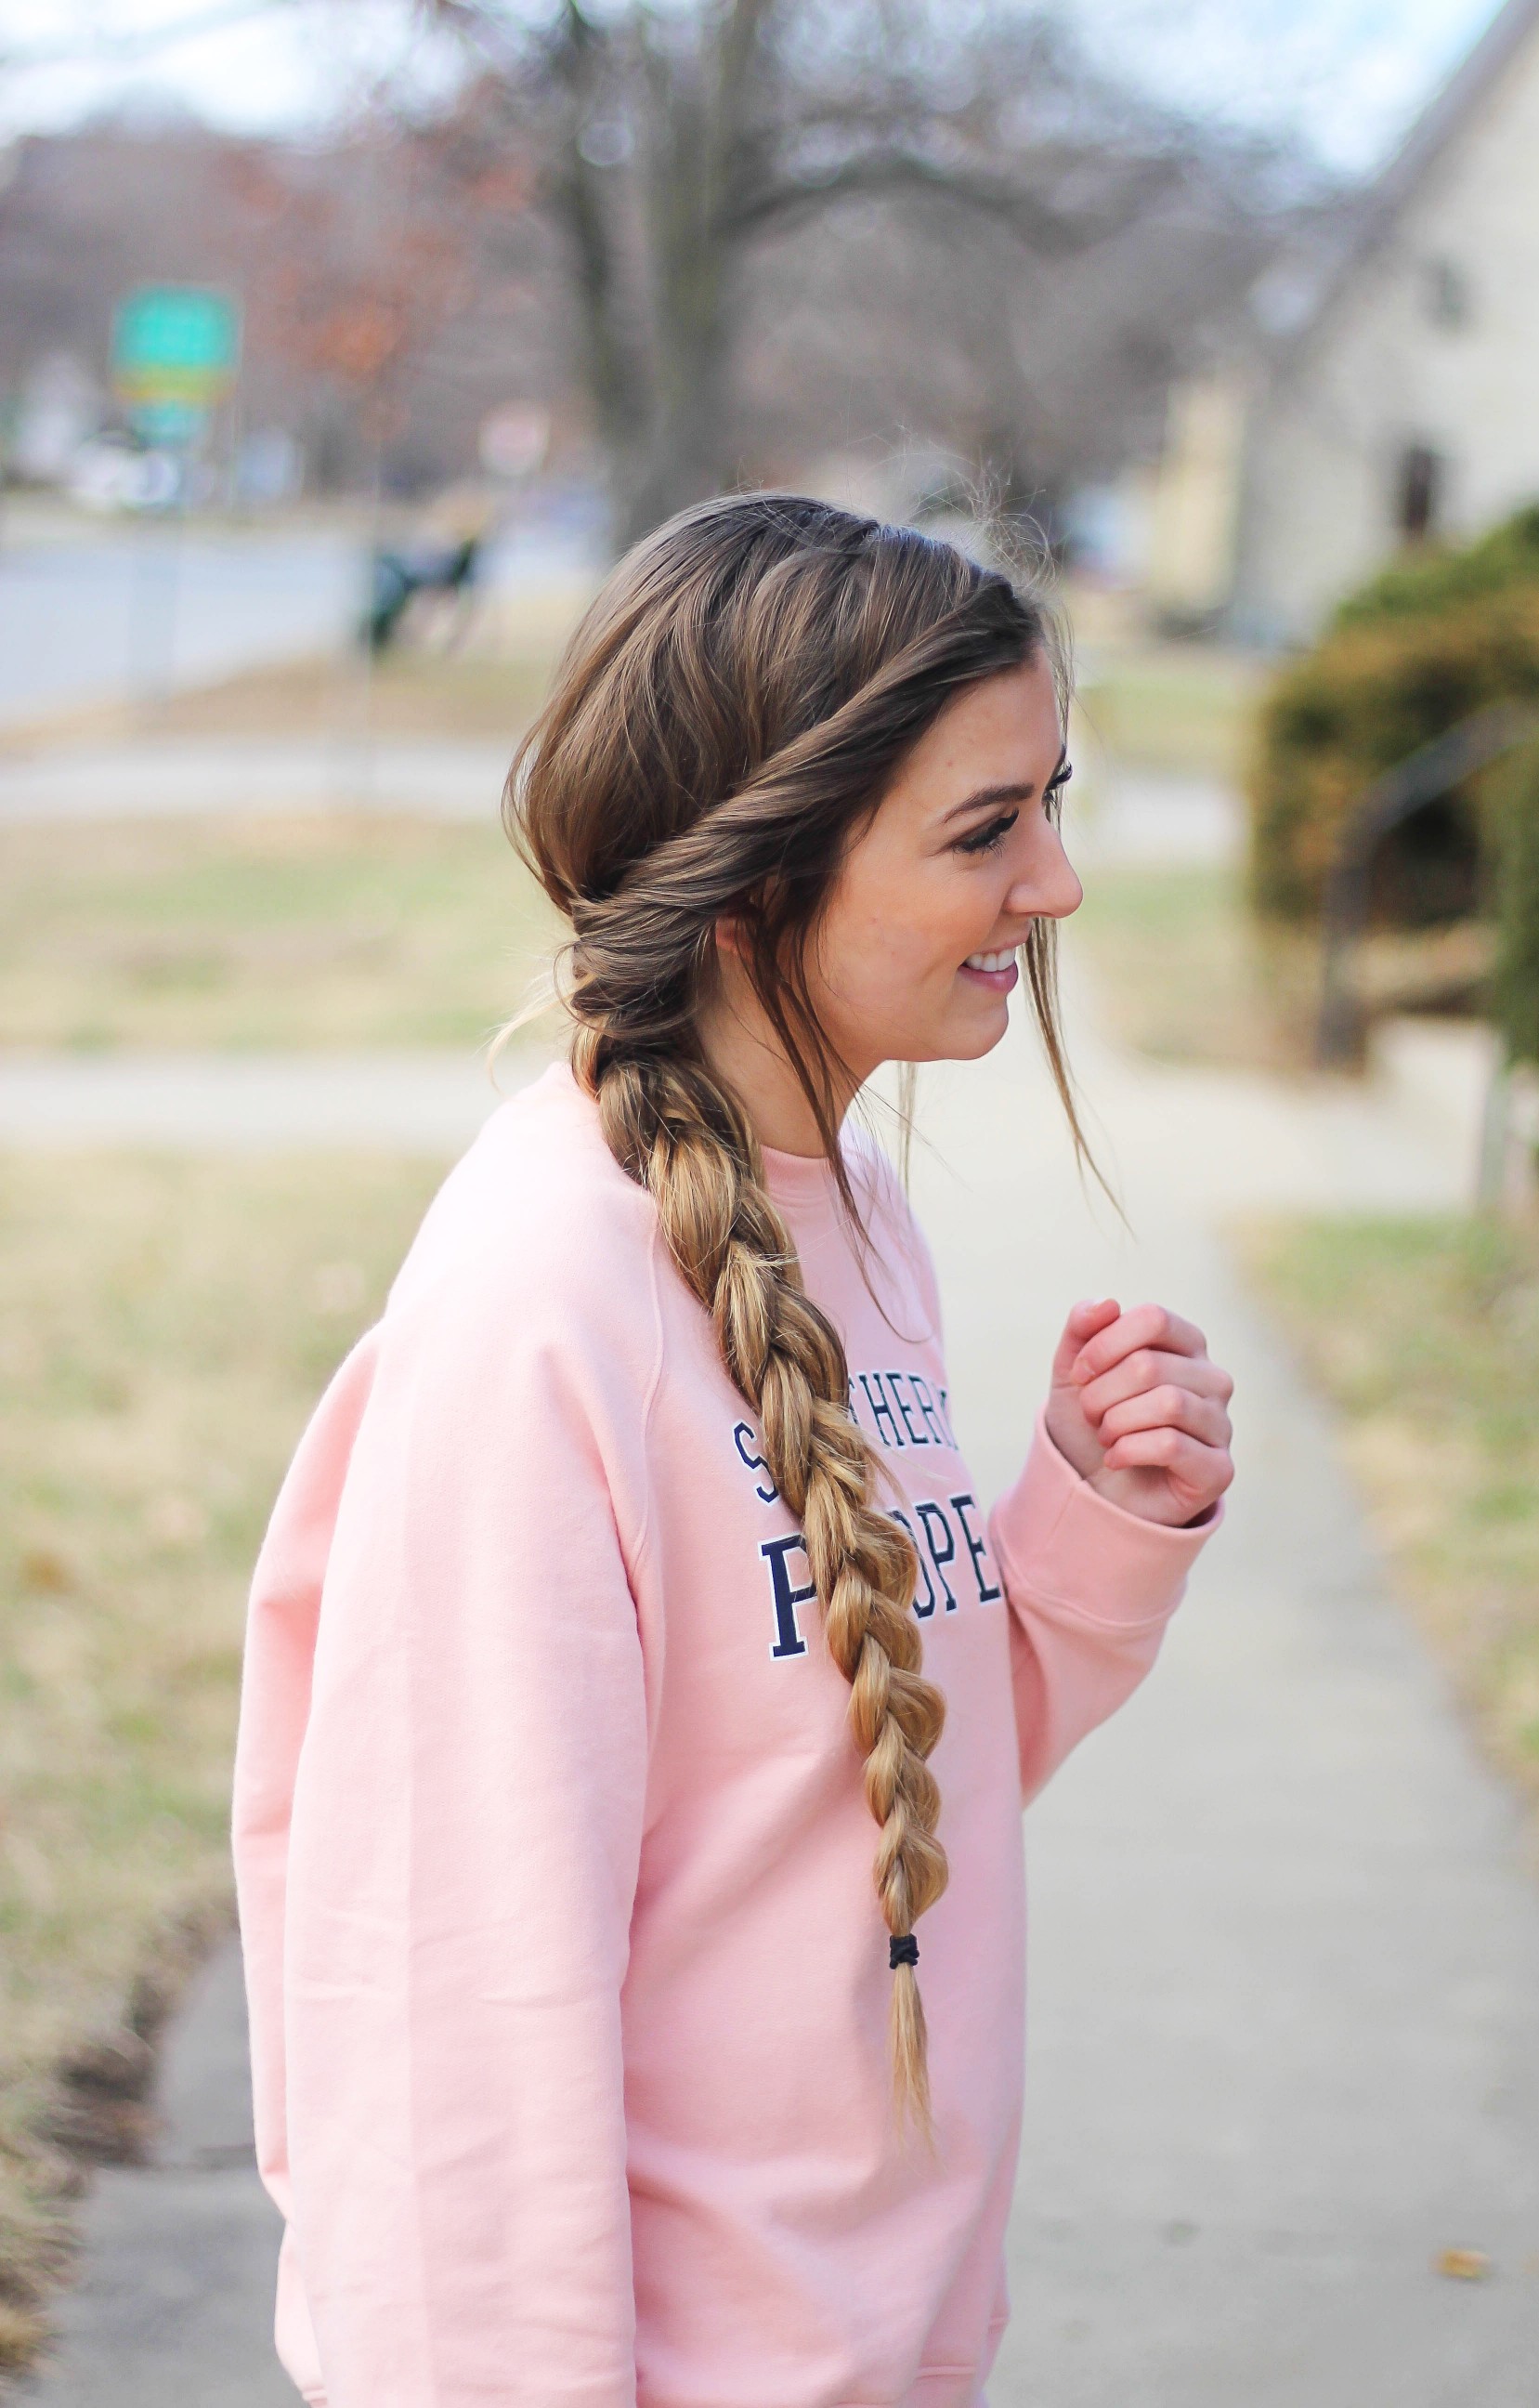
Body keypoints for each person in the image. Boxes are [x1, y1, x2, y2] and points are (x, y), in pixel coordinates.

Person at [233, 493, 1233, 2408]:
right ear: (764, 876)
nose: (1061, 883)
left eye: (1054, 799)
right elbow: (454, 2002)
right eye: (986, 828)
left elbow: (857, 1798)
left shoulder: (848, 1211)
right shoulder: (539, 1312)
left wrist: (1087, 1529)